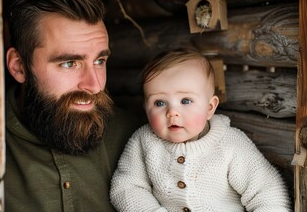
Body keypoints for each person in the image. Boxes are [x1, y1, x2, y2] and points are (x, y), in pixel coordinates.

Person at [4, 0, 142, 211]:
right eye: (69, 63)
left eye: (100, 61)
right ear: (19, 67)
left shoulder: (137, 137)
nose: (95, 85)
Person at [110, 49, 291, 211]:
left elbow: (267, 191)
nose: (172, 112)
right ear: (145, 108)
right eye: (159, 103)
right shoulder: (144, 141)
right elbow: (126, 188)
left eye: (186, 101)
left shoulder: (230, 143)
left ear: (210, 108)